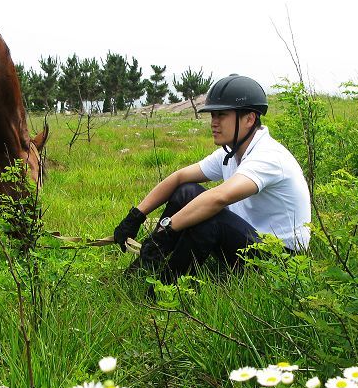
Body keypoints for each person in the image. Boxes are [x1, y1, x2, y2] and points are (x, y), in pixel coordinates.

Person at [113, 74, 311, 282]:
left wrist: (165, 232)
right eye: (212, 115)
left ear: (249, 119)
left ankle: (165, 288)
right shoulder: (232, 152)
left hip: (281, 261)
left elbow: (219, 198)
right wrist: (136, 216)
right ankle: (145, 267)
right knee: (186, 192)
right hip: (251, 241)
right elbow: (180, 178)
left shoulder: (268, 156)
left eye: (221, 115)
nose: (213, 123)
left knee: (209, 217)